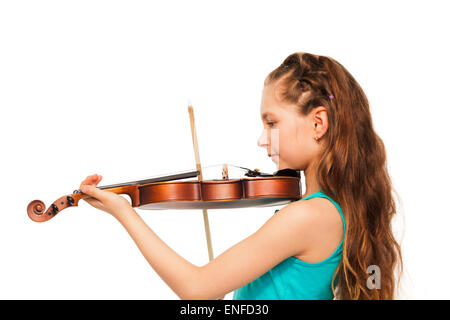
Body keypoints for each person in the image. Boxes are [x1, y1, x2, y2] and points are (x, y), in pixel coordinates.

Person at [79, 52, 403, 300]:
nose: (262, 140)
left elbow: (196, 289)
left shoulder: (309, 215)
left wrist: (124, 212)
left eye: (271, 123)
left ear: (318, 123)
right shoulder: (328, 210)